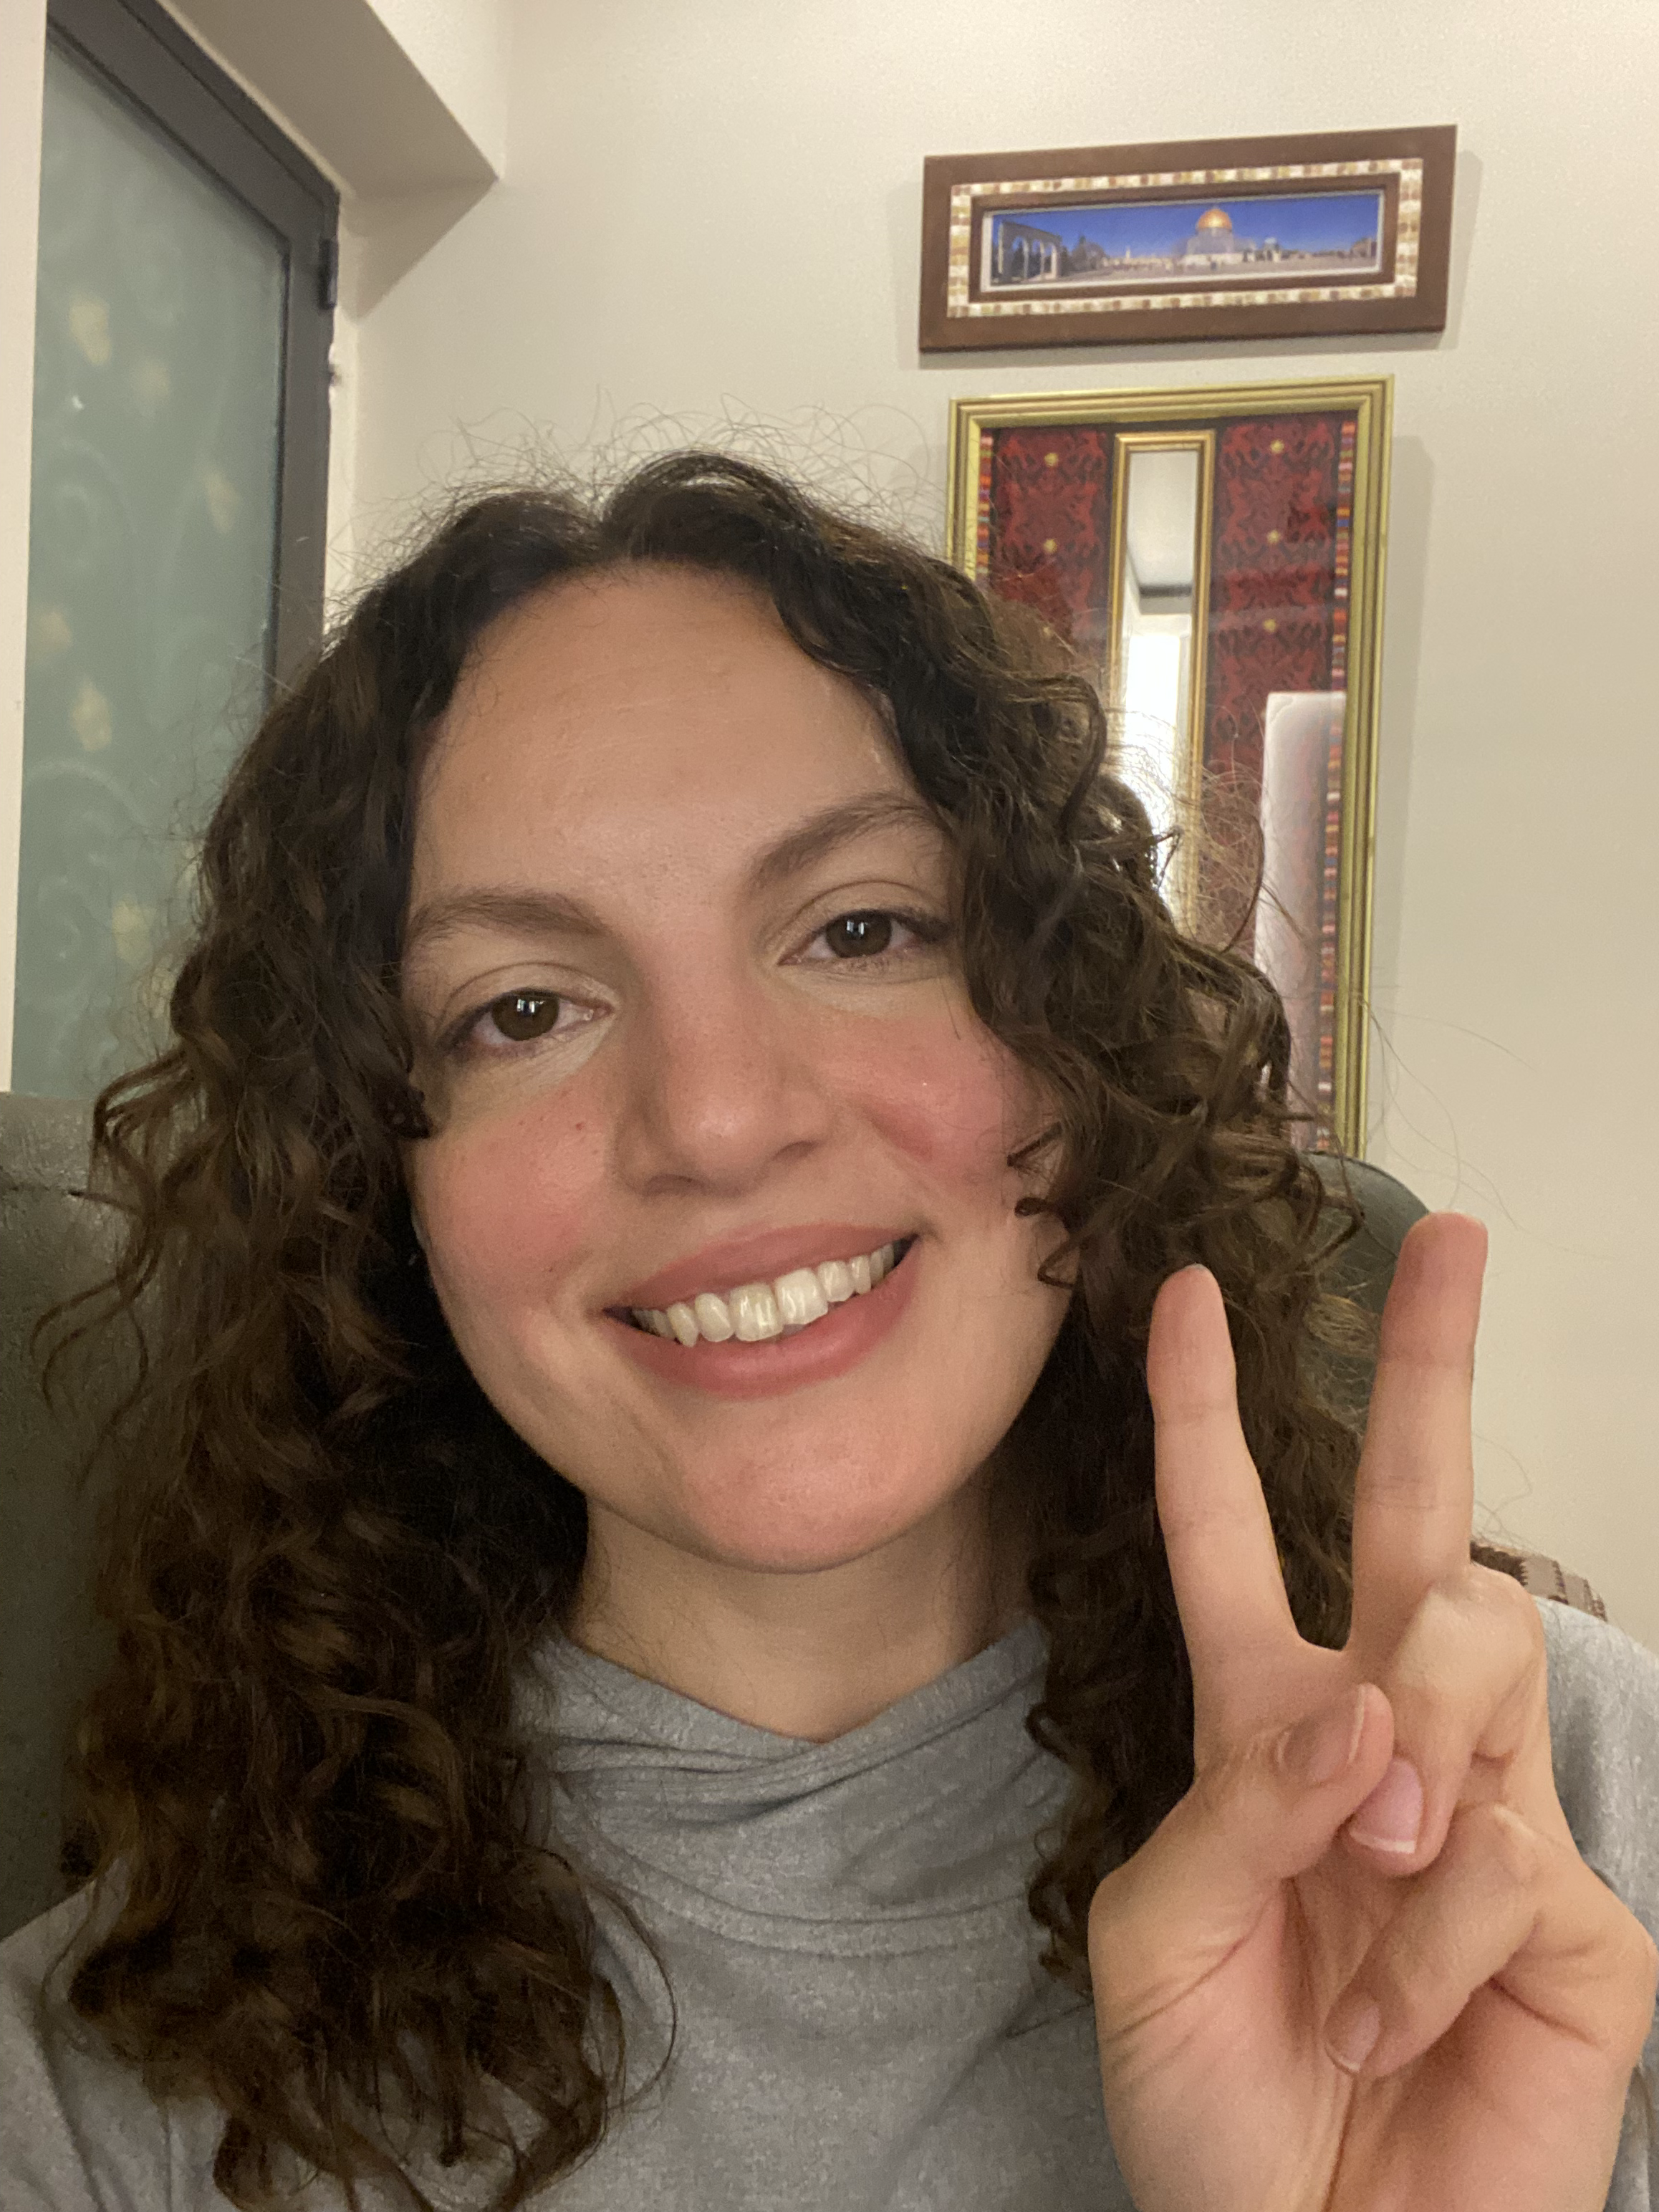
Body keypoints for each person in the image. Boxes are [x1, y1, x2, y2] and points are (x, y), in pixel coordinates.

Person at [1, 451, 1655, 2212]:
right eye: (524, 1008)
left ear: (1071, 1042)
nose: (713, 1118)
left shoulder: (1547, 1813)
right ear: (373, 1187)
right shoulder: (115, 2087)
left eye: (861, 927)